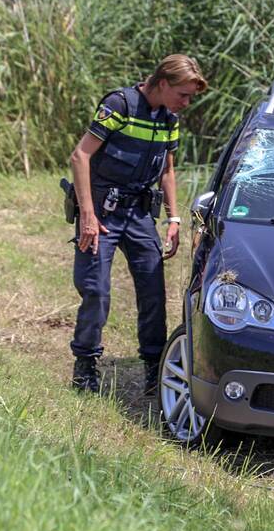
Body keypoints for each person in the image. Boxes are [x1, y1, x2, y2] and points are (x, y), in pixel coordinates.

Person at [68, 55, 207, 395]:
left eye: (190, 98)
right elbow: (80, 156)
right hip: (102, 212)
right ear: (162, 83)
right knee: (96, 291)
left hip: (140, 215)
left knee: (153, 293)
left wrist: (173, 217)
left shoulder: (169, 118)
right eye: (183, 95)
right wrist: (87, 214)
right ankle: (85, 367)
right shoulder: (120, 105)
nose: (186, 103)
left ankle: (153, 370)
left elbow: (168, 170)